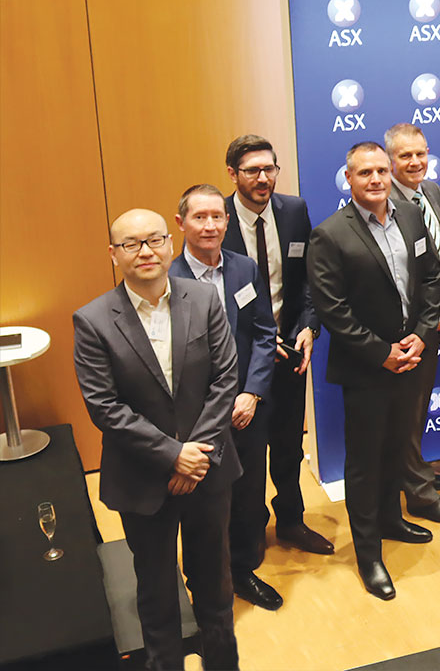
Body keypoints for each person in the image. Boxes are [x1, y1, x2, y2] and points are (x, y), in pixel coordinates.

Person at [74, 209, 241, 670]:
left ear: (170, 244)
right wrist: (173, 456)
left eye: (154, 240)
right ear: (114, 254)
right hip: (143, 478)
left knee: (215, 585)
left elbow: (225, 379)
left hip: (207, 470)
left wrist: (194, 457)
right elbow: (104, 407)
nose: (145, 251)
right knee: (156, 590)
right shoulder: (93, 320)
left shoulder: (203, 298)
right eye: (131, 244)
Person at [307, 142, 440, 600]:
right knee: (365, 463)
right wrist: (381, 352)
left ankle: (391, 520)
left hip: (412, 356)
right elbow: (333, 309)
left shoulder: (411, 216)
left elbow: (431, 278)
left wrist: (422, 334)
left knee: (396, 448)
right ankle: (368, 554)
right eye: (364, 172)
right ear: (349, 178)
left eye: (382, 171)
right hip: (367, 368)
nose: (375, 179)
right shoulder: (330, 234)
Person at [169, 184, 281, 611]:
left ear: (227, 221)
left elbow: (264, 333)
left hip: (245, 409)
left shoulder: (243, 269)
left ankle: (242, 569)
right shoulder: (168, 280)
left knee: (249, 492)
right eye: (199, 217)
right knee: (203, 502)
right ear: (181, 223)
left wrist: (252, 391)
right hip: (197, 417)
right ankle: (203, 582)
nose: (210, 225)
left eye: (217, 216)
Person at [222, 135, 333, 556]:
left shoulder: (294, 211)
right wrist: (256, 346)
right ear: (233, 174)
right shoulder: (217, 220)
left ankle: (291, 522)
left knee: (288, 446)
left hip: (290, 350)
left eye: (269, 169)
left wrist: (309, 327)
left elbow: (307, 279)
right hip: (241, 361)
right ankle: (248, 534)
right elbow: (207, 298)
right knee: (247, 457)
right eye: (252, 171)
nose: (263, 178)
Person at [385, 122, 440, 497]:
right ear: (389, 160)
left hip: (433, 317)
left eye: (420, 153)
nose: (416, 162)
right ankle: (411, 483)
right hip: (404, 327)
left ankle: (414, 471)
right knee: (404, 407)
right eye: (405, 156)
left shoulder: (431, 191)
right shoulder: (384, 204)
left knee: (419, 402)